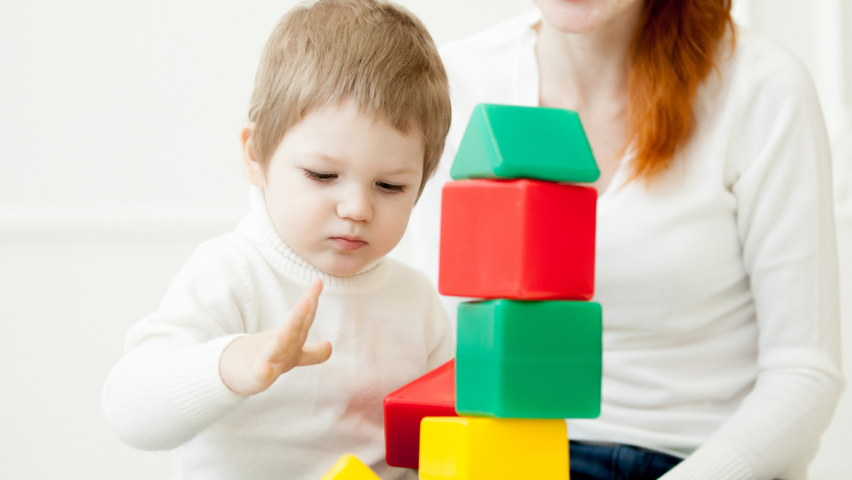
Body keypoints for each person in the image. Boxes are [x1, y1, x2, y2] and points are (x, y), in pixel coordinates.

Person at [408, 0, 844, 479]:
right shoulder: (458, 83)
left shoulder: (761, 87)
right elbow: (448, 346)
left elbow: (804, 374)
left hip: (695, 460)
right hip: (519, 456)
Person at [101, 1, 453, 479]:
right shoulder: (232, 274)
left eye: (390, 186)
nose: (357, 208)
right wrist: (232, 365)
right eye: (323, 174)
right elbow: (129, 411)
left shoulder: (416, 302)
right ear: (255, 154)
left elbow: (447, 437)